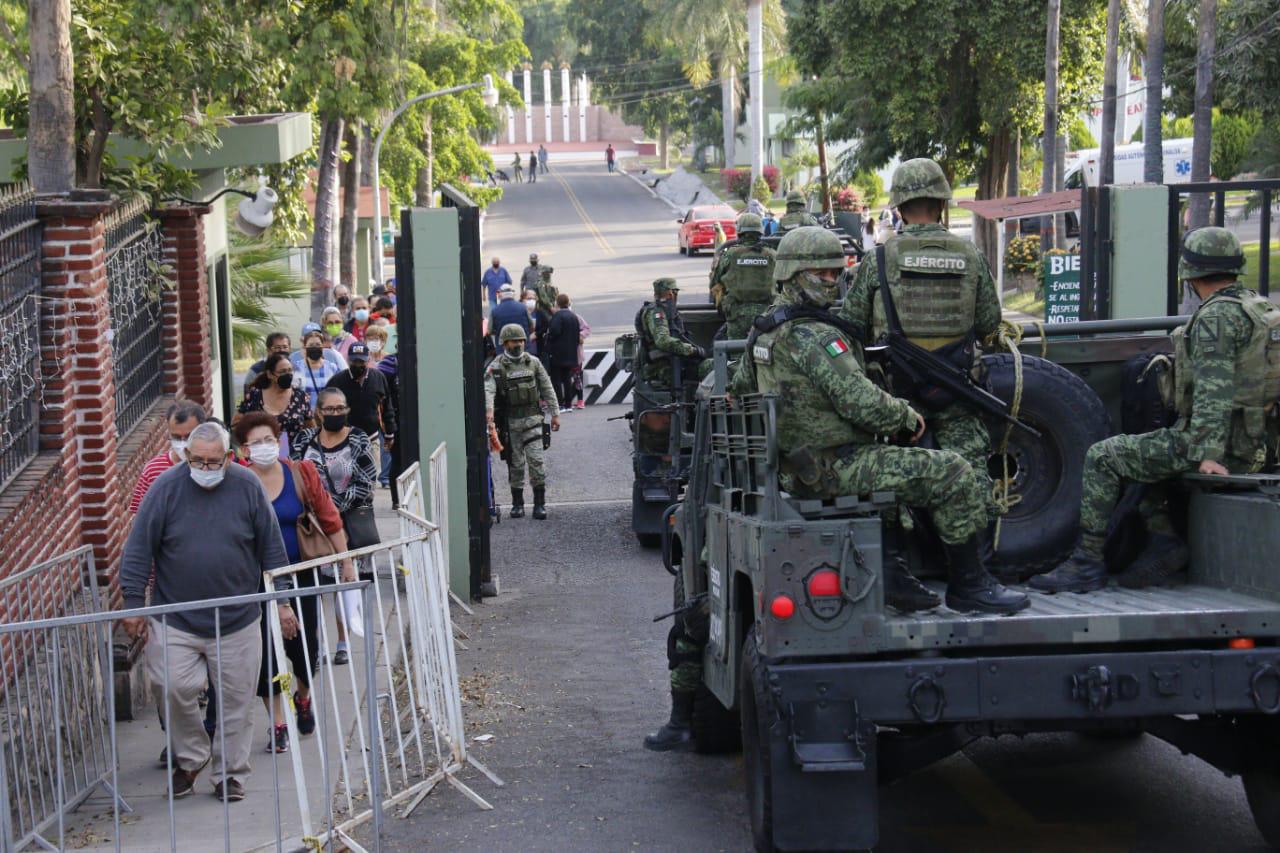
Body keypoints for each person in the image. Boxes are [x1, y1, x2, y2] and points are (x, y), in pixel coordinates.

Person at [1030, 227, 1277, 593]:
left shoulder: (1216, 318)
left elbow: (1214, 390)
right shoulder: (1261, 309)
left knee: (1104, 456)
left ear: (1190, 275)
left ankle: (1086, 564)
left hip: (1225, 449)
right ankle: (1163, 540)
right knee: (1145, 453)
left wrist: (1208, 454)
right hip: (1258, 444)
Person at [120, 422, 293, 801]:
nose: (204, 467)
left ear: (229, 458)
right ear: (186, 456)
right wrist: (133, 604)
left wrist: (282, 602)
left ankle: (230, 774)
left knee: (236, 701)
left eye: (213, 461)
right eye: (196, 460)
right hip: (176, 618)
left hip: (238, 619)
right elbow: (138, 548)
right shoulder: (165, 488)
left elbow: (272, 547)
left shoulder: (247, 487)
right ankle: (193, 756)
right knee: (172, 686)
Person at [838, 157, 1003, 535]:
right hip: (958, 390)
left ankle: (904, 562)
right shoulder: (971, 256)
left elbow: (851, 326)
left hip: (896, 398)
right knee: (970, 474)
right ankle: (973, 567)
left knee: (893, 475)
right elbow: (989, 325)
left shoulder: (879, 258)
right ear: (942, 203)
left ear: (898, 207)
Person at [233, 413, 355, 754]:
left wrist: (345, 561)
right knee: (267, 653)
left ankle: (302, 698)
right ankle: (277, 723)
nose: (264, 448)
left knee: (304, 648)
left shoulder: (300, 473)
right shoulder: (240, 480)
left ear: (279, 441)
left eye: (269, 440)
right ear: (243, 449)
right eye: (255, 443)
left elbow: (329, 517)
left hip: (301, 573)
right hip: (255, 581)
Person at [291, 388, 380, 665]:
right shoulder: (304, 439)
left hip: (349, 524)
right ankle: (314, 646)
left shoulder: (358, 438)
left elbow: (367, 480)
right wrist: (318, 509)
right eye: (329, 409)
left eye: (340, 408)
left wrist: (333, 507)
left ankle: (343, 643)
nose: (335, 413)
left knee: (345, 583)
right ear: (319, 412)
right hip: (313, 528)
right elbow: (295, 474)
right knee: (315, 586)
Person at [485, 324, 560, 520]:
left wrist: (555, 413)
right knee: (515, 465)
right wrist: (489, 413)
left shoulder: (533, 362)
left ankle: (539, 504)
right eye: (513, 341)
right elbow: (488, 390)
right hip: (511, 424)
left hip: (533, 421)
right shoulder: (496, 366)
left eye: (520, 340)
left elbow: (547, 386)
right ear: (504, 343)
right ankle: (517, 504)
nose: (517, 344)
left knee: (537, 462)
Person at [326, 342, 397, 485]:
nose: (358, 364)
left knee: (369, 479)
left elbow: (386, 407)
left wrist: (389, 434)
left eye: (361, 361)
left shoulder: (378, 378)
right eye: (354, 361)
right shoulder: (337, 381)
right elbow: (326, 408)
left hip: (371, 438)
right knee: (345, 478)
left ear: (368, 359)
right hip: (344, 439)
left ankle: (366, 505)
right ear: (348, 360)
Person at [130, 401, 207, 513]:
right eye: (176, 437)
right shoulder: (152, 470)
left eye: (189, 436)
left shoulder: (214, 467)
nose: (182, 443)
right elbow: (140, 516)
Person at [709, 212, 776, 339]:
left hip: (736, 315)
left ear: (739, 231)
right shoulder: (772, 254)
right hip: (767, 315)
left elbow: (714, 282)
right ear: (760, 231)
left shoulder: (730, 254)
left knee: (735, 353)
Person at [635, 278, 709, 389]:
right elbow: (663, 341)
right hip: (663, 367)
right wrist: (691, 350)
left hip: (674, 362)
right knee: (715, 367)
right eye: (675, 292)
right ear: (670, 293)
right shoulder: (657, 313)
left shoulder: (667, 311)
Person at [235, 352, 312, 457]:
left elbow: (310, 429)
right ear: (270, 374)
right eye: (282, 371)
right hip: (259, 456)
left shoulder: (301, 397)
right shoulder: (255, 395)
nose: (288, 374)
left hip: (292, 457)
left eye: (290, 370)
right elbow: (236, 424)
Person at [365, 325, 400, 490]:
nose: (374, 342)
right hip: (370, 407)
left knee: (386, 441)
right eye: (370, 338)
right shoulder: (363, 360)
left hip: (384, 407)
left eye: (377, 339)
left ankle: (385, 476)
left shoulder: (388, 360)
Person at [545, 293, 582, 412]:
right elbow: (577, 335)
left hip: (557, 353)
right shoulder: (573, 316)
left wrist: (548, 337)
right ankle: (568, 405)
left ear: (557, 303)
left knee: (556, 379)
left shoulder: (557, 316)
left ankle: (559, 404)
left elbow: (554, 332)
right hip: (570, 353)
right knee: (567, 379)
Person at [293, 327, 347, 409]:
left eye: (318, 344)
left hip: (327, 415)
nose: (314, 347)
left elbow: (339, 392)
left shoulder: (332, 368)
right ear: (305, 347)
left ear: (322, 346)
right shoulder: (296, 368)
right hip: (304, 417)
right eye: (311, 345)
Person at [242, 333, 291, 401]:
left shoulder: (296, 368)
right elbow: (247, 396)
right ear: (268, 350)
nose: (282, 350)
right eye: (277, 347)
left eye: (285, 347)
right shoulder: (256, 370)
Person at [490, 283, 530, 349]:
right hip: (523, 347)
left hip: (503, 349)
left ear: (500, 295)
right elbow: (531, 326)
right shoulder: (523, 307)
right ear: (512, 294)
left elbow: (490, 330)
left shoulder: (495, 311)